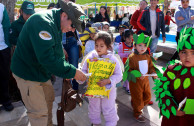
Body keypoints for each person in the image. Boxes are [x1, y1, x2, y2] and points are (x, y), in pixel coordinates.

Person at [11, 1, 87, 126]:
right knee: (39, 112)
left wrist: (66, 71)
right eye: (73, 25)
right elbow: (48, 59)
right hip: (27, 73)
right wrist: (72, 72)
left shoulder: (57, 22)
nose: (72, 30)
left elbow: (58, 52)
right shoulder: (44, 23)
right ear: (64, 15)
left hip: (40, 71)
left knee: (48, 100)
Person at [154, 27, 194, 126]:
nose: (188, 57)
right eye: (184, 52)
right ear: (179, 52)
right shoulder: (171, 71)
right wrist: (171, 107)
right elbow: (162, 90)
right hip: (173, 117)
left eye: (193, 53)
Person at [81, 31, 122, 126]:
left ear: (108, 46)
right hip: (94, 88)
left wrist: (108, 81)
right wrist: (83, 76)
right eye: (96, 45)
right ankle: (95, 123)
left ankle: (111, 123)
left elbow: (119, 75)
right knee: (93, 107)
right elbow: (83, 71)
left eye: (101, 46)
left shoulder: (113, 59)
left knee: (109, 107)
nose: (98, 48)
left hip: (108, 90)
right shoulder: (90, 57)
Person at [127, 33, 156, 122]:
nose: (142, 48)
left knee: (147, 96)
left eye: (144, 45)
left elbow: (151, 67)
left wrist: (153, 72)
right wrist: (137, 74)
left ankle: (137, 103)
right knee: (138, 98)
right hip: (135, 83)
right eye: (140, 45)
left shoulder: (148, 56)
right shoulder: (131, 57)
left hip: (145, 81)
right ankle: (138, 113)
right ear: (135, 46)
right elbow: (129, 70)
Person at [0, 3, 14, 111]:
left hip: (3, 48)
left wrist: (8, 45)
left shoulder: (1, 7)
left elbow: (6, 26)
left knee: (4, 76)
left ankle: (5, 101)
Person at [118, 30, 134, 94]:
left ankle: (125, 85)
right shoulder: (121, 45)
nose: (130, 40)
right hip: (124, 63)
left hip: (132, 63)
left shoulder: (134, 45)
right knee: (128, 75)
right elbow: (119, 54)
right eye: (129, 39)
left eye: (132, 39)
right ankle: (128, 88)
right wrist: (126, 55)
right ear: (124, 38)